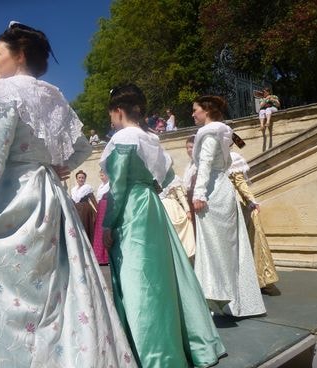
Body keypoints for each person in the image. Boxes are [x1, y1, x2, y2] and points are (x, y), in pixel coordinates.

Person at [0, 21, 136, 368]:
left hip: (12, 193)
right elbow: (82, 146)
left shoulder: (2, 91)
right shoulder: (54, 96)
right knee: (58, 286)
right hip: (50, 196)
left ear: (19, 55)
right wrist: (58, 164)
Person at [101, 84, 225, 367]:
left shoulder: (123, 139)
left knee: (139, 282)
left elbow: (118, 188)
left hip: (132, 210)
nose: (110, 120)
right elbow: (168, 177)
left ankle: (152, 353)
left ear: (119, 111)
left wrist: (108, 224)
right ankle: (185, 342)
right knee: (162, 277)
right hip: (152, 207)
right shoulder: (151, 138)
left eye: (111, 114)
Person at [191, 95, 266, 317]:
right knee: (230, 247)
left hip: (213, 192)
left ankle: (219, 299)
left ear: (206, 110)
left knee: (215, 247)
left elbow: (205, 165)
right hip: (223, 189)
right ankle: (234, 300)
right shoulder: (223, 132)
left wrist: (199, 193)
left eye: (195, 110)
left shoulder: (210, 133)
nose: (193, 114)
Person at [228, 151, 279, 294]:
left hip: (235, 205)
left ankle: (255, 279)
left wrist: (251, 200)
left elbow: (240, 182)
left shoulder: (231, 157)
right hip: (224, 205)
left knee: (246, 241)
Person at [160, 176, 196, 258]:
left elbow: (181, 196)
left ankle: (186, 256)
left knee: (184, 233)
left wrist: (187, 210)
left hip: (174, 210)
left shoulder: (173, 178)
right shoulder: (153, 178)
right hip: (160, 209)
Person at [71, 170, 97, 242]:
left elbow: (93, 200)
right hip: (76, 210)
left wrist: (99, 212)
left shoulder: (87, 188)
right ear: (76, 179)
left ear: (85, 179)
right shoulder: (73, 189)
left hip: (85, 210)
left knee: (84, 227)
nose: (81, 179)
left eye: (83, 178)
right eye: (79, 177)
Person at [91, 169, 109, 265]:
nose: (102, 177)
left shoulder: (110, 184)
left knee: (105, 230)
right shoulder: (100, 186)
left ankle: (106, 257)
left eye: (104, 175)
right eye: (101, 175)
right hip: (101, 208)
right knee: (99, 231)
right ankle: (99, 256)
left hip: (107, 207)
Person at [182, 135, 197, 236]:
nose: (188, 150)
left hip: (197, 198)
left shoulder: (199, 163)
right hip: (190, 197)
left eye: (191, 147)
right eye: (187, 148)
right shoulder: (189, 165)